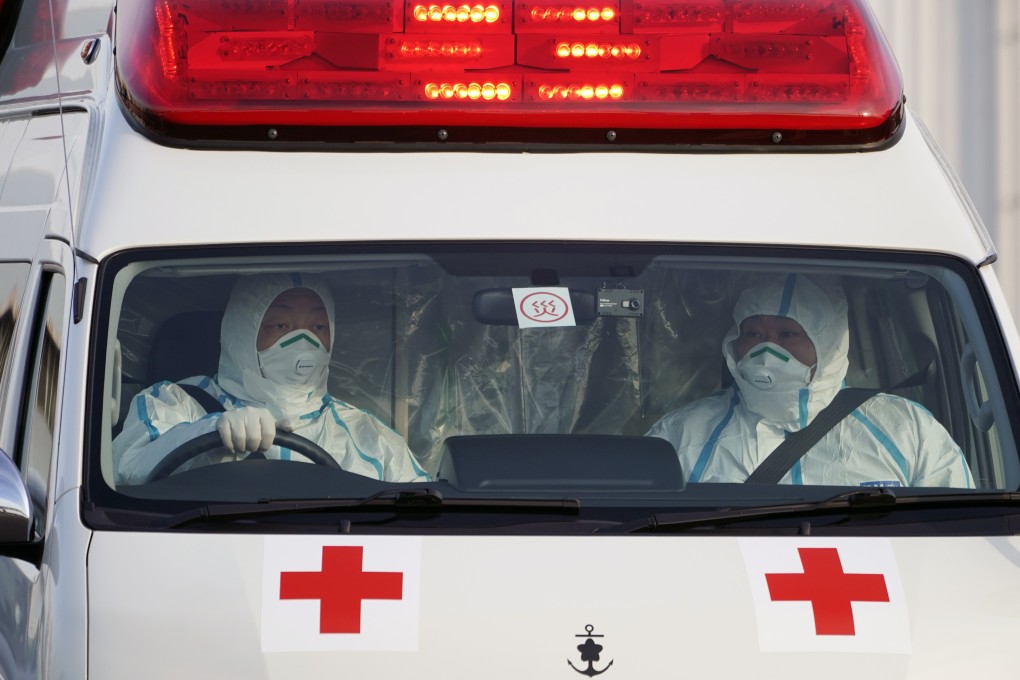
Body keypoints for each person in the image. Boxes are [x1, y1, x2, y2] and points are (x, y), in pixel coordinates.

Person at [646, 274, 974, 487]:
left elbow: (959, 537)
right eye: (754, 334)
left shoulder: (906, 430)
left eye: (787, 334)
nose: (766, 351)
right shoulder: (680, 435)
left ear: (827, 343)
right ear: (736, 340)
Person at [113, 273, 429, 485]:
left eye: (318, 328)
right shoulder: (175, 402)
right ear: (241, 332)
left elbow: (424, 515)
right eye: (281, 326)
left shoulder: (367, 438)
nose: (303, 342)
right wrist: (207, 433)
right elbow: (125, 466)